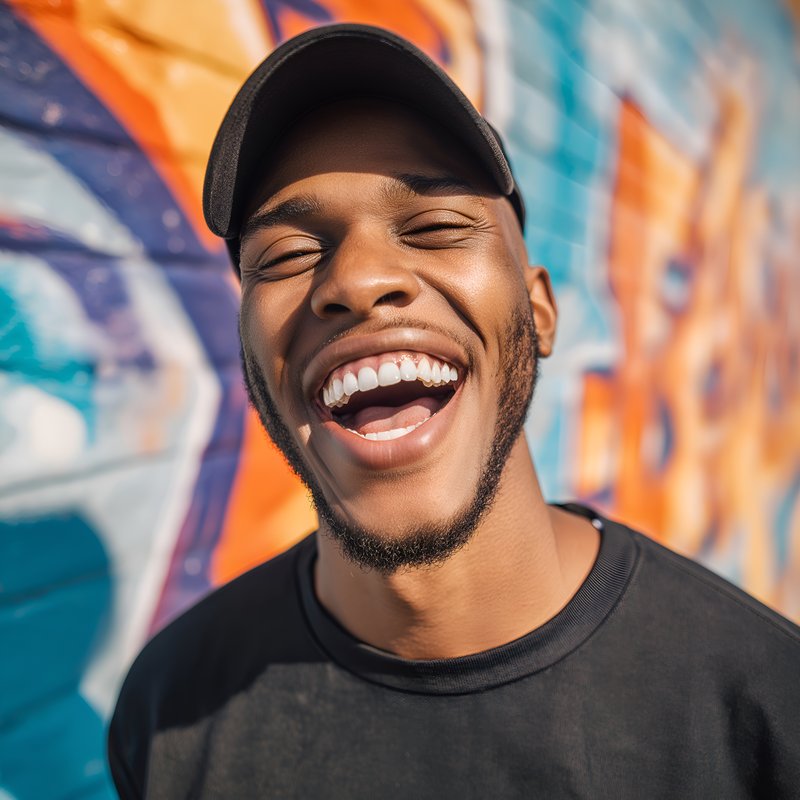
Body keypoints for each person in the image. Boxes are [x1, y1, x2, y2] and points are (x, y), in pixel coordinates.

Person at [108, 24, 800, 799]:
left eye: (435, 228)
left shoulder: (765, 718)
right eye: (289, 255)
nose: (361, 279)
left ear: (538, 311)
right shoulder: (170, 712)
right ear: (246, 353)